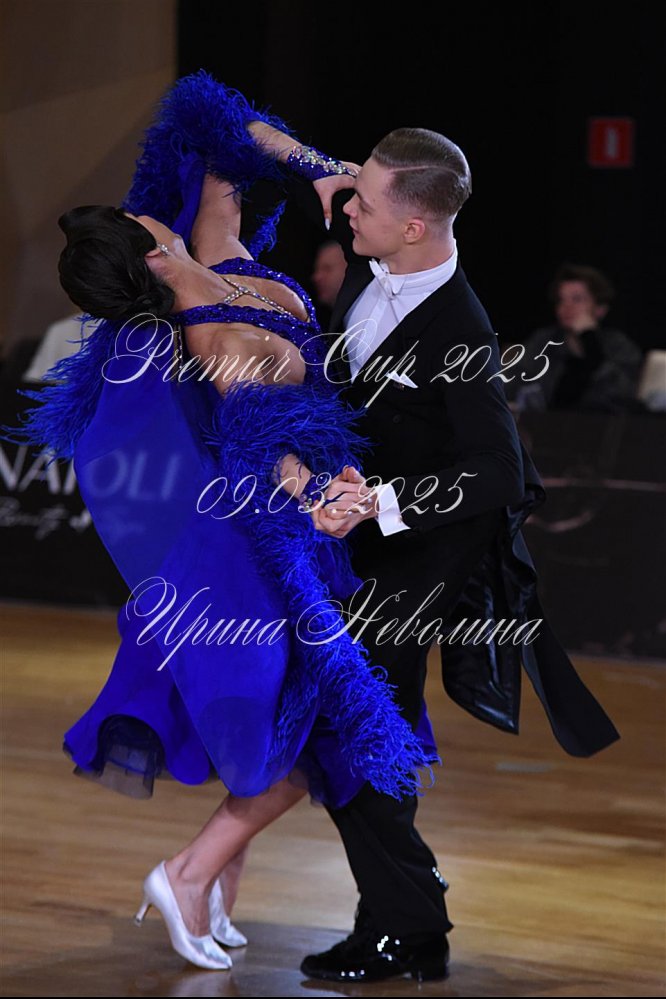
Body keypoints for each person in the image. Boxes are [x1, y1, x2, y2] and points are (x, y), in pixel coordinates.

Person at [1, 73, 440, 974]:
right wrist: (318, 494)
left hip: (282, 529)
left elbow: (212, 117)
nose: (147, 204)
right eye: (137, 216)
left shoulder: (215, 252)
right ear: (149, 249)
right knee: (306, 731)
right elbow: (262, 449)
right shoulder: (216, 336)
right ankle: (186, 873)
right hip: (257, 548)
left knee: (286, 721)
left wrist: (321, 169)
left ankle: (215, 886)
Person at [239, 120, 622, 982]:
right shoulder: (374, 242)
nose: (348, 210)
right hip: (354, 544)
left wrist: (375, 501)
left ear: (413, 225)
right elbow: (308, 162)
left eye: (366, 203)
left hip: (420, 558)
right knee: (355, 731)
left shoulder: (459, 330)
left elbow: (499, 471)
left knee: (356, 727)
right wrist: (307, 162)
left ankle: (409, 923)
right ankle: (400, 919)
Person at [508, 263, 644, 413]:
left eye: (577, 299)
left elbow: (624, 396)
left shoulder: (618, 346)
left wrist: (589, 340)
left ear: (600, 309)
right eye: (561, 300)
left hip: (599, 425)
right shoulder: (543, 342)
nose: (566, 306)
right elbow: (511, 385)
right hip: (546, 424)